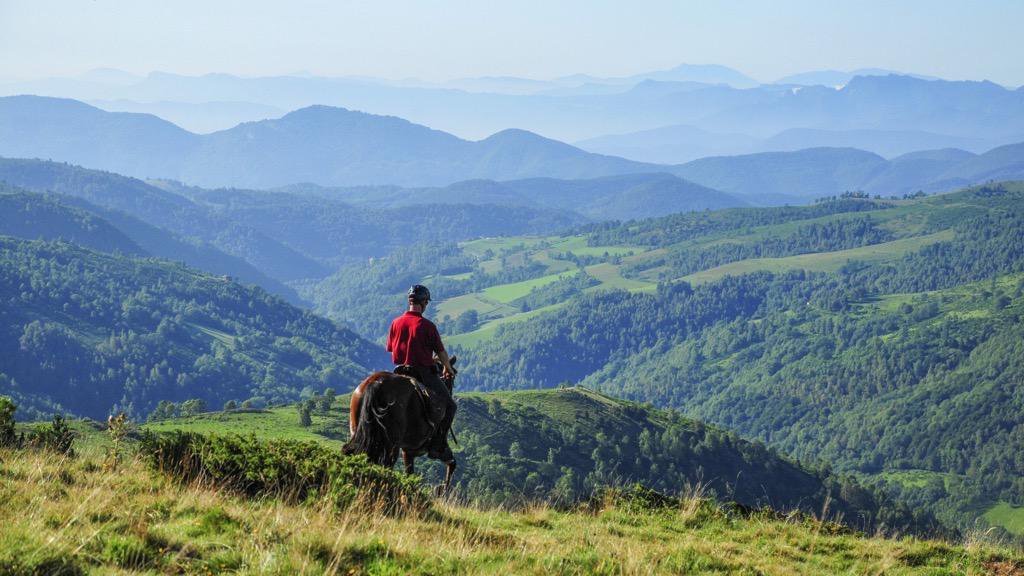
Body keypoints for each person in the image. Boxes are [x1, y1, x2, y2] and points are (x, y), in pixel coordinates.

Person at [385, 284, 457, 461]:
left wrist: (419, 355)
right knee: (450, 406)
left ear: (409, 301)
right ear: (424, 302)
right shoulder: (427, 326)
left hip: (400, 371)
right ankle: (437, 445)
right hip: (423, 373)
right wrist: (448, 369)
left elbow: (391, 349)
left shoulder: (395, 323)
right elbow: (441, 353)